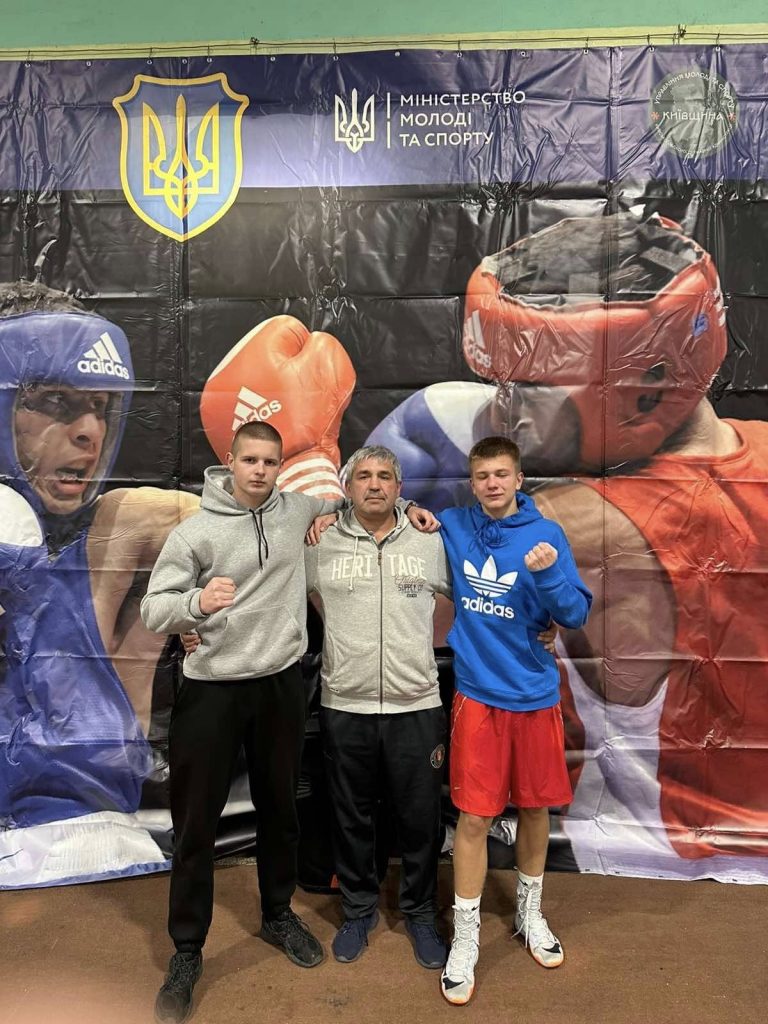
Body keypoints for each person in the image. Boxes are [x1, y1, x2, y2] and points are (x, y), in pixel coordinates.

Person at [368, 211, 768, 883]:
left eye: (529, 388)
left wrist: (314, 472)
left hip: (658, 865)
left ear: (644, 391)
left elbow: (388, 608)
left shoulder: (574, 525)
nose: (504, 409)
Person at [0, 291, 357, 887]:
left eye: (100, 408)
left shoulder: (122, 525)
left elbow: (297, 554)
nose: (88, 432)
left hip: (87, 837)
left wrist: (305, 466)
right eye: (56, 403)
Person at [141, 424, 437, 1024]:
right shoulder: (195, 531)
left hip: (279, 685)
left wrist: (411, 509)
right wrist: (195, 606)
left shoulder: (299, 509)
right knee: (195, 824)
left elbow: (364, 499)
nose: (259, 470)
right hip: (212, 689)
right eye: (249, 460)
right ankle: (187, 950)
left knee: (281, 811)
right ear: (230, 461)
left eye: (269, 461)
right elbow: (154, 609)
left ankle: (277, 914)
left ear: (280, 466)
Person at [435, 435, 591, 1006]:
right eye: (482, 476)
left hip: (533, 696)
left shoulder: (546, 534)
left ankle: (530, 912)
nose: (492, 484)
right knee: (474, 818)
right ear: (472, 483)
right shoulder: (453, 525)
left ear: (519, 479)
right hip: (479, 697)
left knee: (534, 808)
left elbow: (575, 612)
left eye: (502, 474)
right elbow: (400, 516)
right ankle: (466, 936)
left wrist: (548, 577)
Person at [304, 444, 451, 970]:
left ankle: (420, 912)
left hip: (417, 703)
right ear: (347, 487)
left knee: (421, 818)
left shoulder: (430, 539)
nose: (373, 484)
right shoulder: (319, 542)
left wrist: (542, 629)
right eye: (363, 476)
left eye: (384, 476)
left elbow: (479, 596)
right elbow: (276, 595)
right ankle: (359, 909)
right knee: (351, 816)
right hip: (346, 703)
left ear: (398, 487)